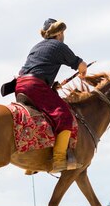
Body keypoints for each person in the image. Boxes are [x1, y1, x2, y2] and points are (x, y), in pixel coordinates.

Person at [16, 18, 88, 172]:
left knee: (41, 119)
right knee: (64, 116)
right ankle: (59, 160)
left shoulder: (36, 47)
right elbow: (81, 65)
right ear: (60, 32)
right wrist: (83, 72)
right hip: (35, 86)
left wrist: (51, 85)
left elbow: (35, 69)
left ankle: (33, 163)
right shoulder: (59, 46)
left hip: (21, 86)